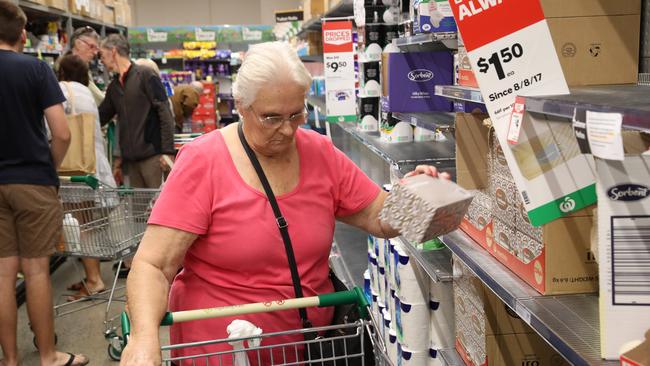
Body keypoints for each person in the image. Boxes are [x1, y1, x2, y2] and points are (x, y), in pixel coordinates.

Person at [119, 41, 449, 366]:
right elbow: (153, 265)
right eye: (271, 118)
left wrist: (420, 198)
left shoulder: (319, 153)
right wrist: (143, 339)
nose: (288, 129)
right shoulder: (203, 162)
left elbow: (379, 216)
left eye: (296, 113)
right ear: (241, 106)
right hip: (221, 352)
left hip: (309, 349)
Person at [0, 2, 89, 365]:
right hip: (33, 181)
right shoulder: (36, 69)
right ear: (23, 34)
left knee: (3, 273)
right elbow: (63, 133)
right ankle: (48, 355)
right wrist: (46, 167)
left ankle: (9, 358)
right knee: (36, 270)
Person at [98, 34, 176, 277]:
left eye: (102, 54)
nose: (102, 60)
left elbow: (164, 112)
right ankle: (147, 263)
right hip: (132, 162)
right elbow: (101, 115)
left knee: (162, 212)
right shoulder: (114, 87)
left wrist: (167, 150)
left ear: (113, 52)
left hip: (153, 156)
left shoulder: (145, 75)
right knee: (140, 216)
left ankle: (170, 263)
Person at [56, 54, 118, 300]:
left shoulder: (62, 90)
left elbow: (53, 129)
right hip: (92, 164)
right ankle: (90, 276)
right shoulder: (85, 92)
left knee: (81, 225)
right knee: (86, 223)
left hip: (75, 169)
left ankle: (93, 280)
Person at [65, 26, 104, 105]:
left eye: (96, 48)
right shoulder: (71, 68)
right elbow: (97, 99)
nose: (95, 52)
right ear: (78, 43)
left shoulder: (83, 65)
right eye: (92, 46)